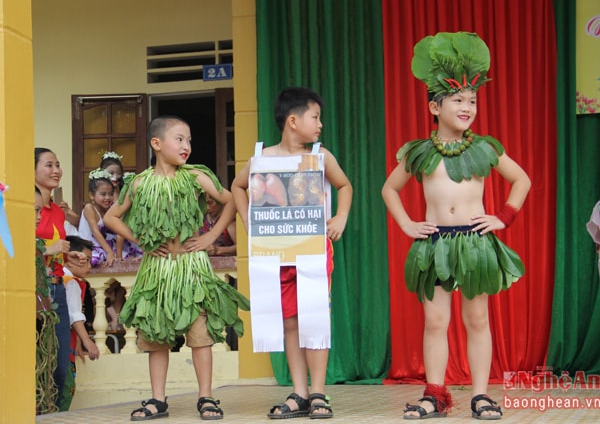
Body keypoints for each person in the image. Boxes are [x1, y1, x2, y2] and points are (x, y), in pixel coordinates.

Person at [381, 32, 531, 420]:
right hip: (434, 247)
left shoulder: (483, 147)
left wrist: (503, 217)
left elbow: (523, 180)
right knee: (434, 321)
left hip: (474, 243)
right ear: (435, 105)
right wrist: (407, 225)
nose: (467, 107)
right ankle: (435, 394)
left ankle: (481, 395)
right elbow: (389, 189)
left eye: (473, 101)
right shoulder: (420, 151)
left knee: (477, 318)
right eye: (458, 100)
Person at [104, 115, 250, 421]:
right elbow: (111, 218)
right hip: (157, 270)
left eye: (189, 140)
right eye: (179, 139)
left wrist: (211, 235)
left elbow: (231, 199)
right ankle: (158, 399)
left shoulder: (195, 176)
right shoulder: (140, 183)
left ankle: (206, 397)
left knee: (201, 334)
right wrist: (140, 240)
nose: (187, 146)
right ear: (157, 144)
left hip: (192, 268)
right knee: (156, 336)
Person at [231, 87, 353, 419]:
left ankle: (319, 392)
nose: (320, 125)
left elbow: (344, 185)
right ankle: (299, 392)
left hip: (312, 252)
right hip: (275, 254)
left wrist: (340, 216)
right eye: (316, 117)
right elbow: (237, 187)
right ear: (293, 120)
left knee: (314, 317)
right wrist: (247, 220)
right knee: (289, 321)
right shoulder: (261, 158)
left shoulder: (320, 156)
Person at [35, 147, 89, 408]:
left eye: (58, 165)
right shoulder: (25, 207)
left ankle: (53, 413)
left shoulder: (57, 211)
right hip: (35, 289)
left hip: (56, 288)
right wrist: (48, 249)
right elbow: (15, 248)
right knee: (36, 357)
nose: (56, 170)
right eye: (48, 165)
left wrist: (69, 258)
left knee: (60, 363)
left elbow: (57, 249)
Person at [60, 235, 100, 411]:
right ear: (71, 259)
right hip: (64, 344)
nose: (89, 267)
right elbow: (74, 315)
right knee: (65, 388)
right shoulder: (72, 283)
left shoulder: (62, 278)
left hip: (66, 342)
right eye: (86, 261)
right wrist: (87, 341)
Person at [35, 186, 59, 415]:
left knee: (45, 373)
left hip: (41, 319)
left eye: (39, 211)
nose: (38, 217)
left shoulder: (36, 245)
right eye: (33, 211)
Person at [99, 151, 143, 260]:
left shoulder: (125, 194)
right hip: (107, 242)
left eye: (118, 173)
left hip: (126, 238)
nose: (115, 177)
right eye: (111, 173)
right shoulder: (99, 197)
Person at [78, 168, 117, 267]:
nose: (108, 198)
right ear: (91, 195)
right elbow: (95, 232)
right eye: (103, 194)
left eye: (111, 194)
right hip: (88, 248)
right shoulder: (89, 208)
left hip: (103, 247)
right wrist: (109, 252)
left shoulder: (108, 210)